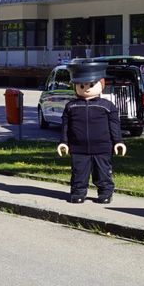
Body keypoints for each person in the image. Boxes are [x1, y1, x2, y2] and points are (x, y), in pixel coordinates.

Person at [55, 61, 126, 204]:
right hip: (78, 148)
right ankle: (78, 191)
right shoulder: (71, 106)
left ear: (101, 84)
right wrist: (64, 142)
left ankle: (105, 192)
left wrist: (118, 141)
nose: (86, 89)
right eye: (82, 85)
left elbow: (114, 125)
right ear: (75, 86)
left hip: (102, 147)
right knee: (79, 172)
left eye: (91, 85)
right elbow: (65, 126)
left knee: (103, 172)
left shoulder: (106, 106)